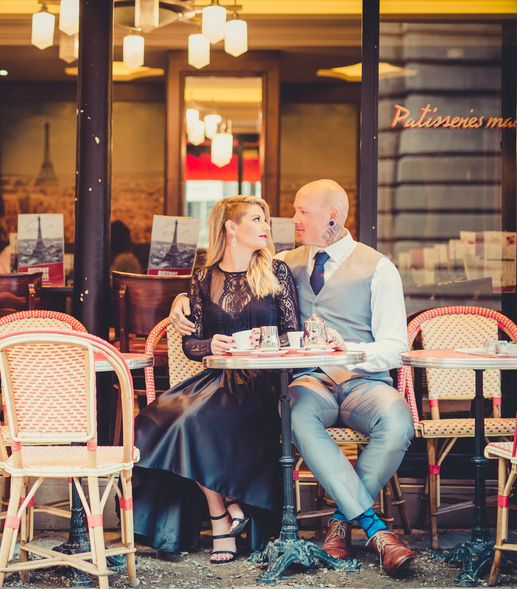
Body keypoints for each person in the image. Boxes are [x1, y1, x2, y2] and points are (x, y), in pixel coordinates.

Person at [168, 180, 415, 576]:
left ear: (330, 217)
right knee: (295, 416)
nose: (292, 219)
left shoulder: (379, 268)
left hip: (363, 381)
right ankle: (374, 527)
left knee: (399, 421)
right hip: (310, 381)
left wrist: (352, 352)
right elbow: (230, 279)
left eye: (301, 211)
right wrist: (181, 299)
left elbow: (395, 346)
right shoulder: (284, 262)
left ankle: (342, 522)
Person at [133, 195, 300, 563]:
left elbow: (293, 332)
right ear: (231, 228)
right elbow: (191, 344)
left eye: (265, 220)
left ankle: (222, 519)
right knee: (153, 420)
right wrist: (215, 343)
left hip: (264, 383)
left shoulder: (277, 272)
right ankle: (223, 513)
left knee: (194, 422)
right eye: (257, 219)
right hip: (217, 379)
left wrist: (261, 342)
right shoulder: (203, 278)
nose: (266, 228)